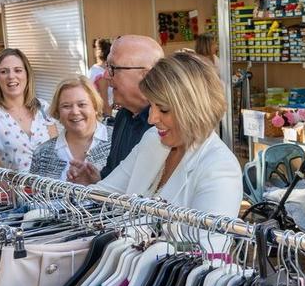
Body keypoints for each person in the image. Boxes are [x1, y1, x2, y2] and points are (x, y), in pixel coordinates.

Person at [68, 51, 242, 224]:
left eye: (163, 109)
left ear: (196, 110)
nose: (152, 118)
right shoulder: (152, 140)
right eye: (151, 106)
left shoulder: (220, 168)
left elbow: (207, 247)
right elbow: (103, 192)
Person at [72, 35, 163, 180]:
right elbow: (113, 173)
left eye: (113, 68)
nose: (106, 75)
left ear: (146, 75)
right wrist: (97, 180)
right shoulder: (123, 116)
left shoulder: (165, 127)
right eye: (107, 67)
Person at [0, 48, 56, 171]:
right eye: (4, 72)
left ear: (27, 74)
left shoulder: (42, 107)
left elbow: (56, 154)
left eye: (18, 70)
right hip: (9, 189)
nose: (11, 76)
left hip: (49, 188)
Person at [30, 76, 112, 181]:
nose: (75, 112)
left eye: (82, 104)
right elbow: (32, 196)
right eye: (66, 106)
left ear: (95, 107)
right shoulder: (41, 153)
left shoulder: (118, 141)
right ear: (57, 111)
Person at [87, 38, 113, 115]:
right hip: (101, 112)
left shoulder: (93, 69)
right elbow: (104, 102)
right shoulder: (102, 75)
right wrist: (109, 116)